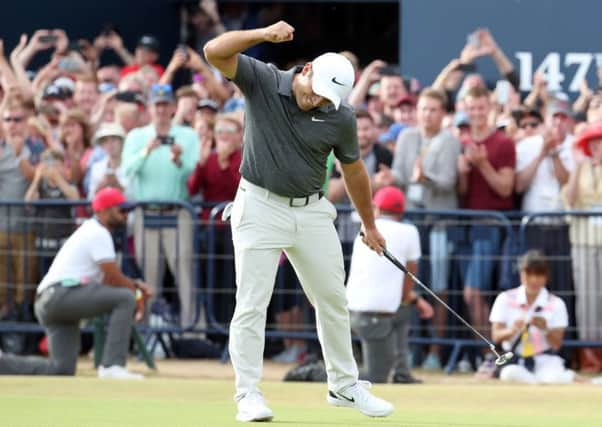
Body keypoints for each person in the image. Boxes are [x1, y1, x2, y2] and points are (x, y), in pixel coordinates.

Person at [204, 20, 394, 422]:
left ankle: (344, 386)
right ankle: (248, 395)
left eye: (329, 100)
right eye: (317, 94)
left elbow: (354, 170)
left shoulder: (339, 114)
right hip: (258, 205)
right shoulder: (263, 79)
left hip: (311, 211)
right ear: (306, 70)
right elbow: (214, 51)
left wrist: (370, 224)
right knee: (252, 304)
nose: (319, 103)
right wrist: (261, 35)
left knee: (333, 300)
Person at [0, 187, 153, 378]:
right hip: (61, 295)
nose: (125, 216)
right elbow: (114, 278)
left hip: (50, 301)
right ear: (104, 211)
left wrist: (134, 288)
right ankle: (112, 366)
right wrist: (136, 291)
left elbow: (108, 280)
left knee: (61, 369)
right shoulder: (98, 232)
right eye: (121, 210)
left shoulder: (91, 230)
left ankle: (3, 364)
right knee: (124, 298)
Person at [374, 87, 462, 371]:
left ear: (443, 113)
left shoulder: (450, 141)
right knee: (407, 283)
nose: (427, 115)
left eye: (433, 110)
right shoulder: (407, 136)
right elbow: (400, 175)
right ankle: (408, 348)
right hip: (410, 222)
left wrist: (425, 178)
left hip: (438, 222)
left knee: (438, 286)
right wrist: (391, 177)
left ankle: (435, 350)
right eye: (423, 109)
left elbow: (449, 181)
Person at [122, 83, 199, 329]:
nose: (162, 110)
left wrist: (178, 160)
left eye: (166, 105)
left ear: (174, 108)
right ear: (150, 108)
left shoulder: (188, 135)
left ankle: (194, 331)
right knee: (148, 277)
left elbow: (192, 173)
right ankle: (143, 330)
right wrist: (146, 151)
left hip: (178, 212)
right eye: (157, 105)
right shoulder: (136, 136)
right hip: (146, 213)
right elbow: (127, 171)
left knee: (184, 273)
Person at [347, 186, 433, 384]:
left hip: (354, 310)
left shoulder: (364, 229)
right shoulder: (409, 231)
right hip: (373, 316)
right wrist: (411, 298)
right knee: (376, 377)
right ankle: (316, 374)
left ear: (376, 208)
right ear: (401, 212)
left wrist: (414, 300)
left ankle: (402, 372)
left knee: (403, 310)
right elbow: (409, 276)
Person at [490, 250, 601, 385]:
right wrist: (513, 329)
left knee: (553, 377)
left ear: (546, 277)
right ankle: (540, 383)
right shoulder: (505, 298)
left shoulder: (556, 303)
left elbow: (556, 345)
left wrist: (545, 329)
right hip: (515, 360)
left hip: (545, 359)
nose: (534, 280)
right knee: (509, 373)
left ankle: (587, 382)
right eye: (529, 274)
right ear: (521, 274)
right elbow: (496, 336)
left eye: (539, 275)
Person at [562, 123, 602, 373]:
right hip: (584, 241)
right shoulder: (581, 168)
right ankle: (589, 355)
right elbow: (570, 198)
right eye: (595, 145)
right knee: (587, 299)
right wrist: (576, 167)